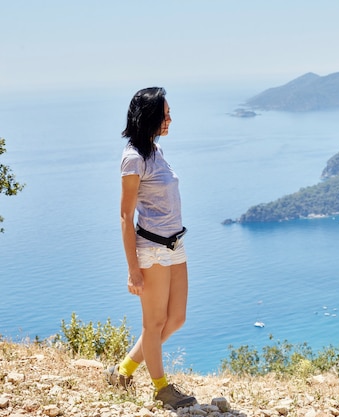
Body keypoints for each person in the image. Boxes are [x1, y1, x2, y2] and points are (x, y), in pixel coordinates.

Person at [107, 87, 197, 409]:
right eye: (166, 113)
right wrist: (133, 270)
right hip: (152, 250)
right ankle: (161, 389)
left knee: (176, 319)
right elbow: (125, 216)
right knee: (154, 323)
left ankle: (123, 370)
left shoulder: (155, 151)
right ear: (151, 117)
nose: (170, 119)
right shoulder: (133, 158)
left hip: (176, 245)